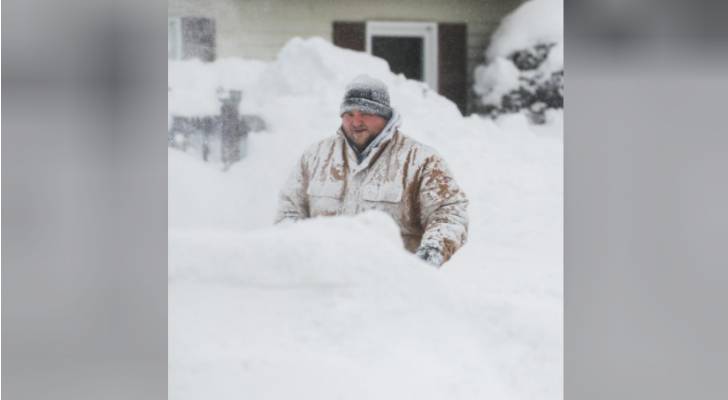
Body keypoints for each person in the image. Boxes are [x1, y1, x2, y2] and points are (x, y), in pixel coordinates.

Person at [275, 75, 468, 267]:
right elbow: (290, 209)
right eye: (349, 114)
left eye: (365, 113)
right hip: (324, 281)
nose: (356, 121)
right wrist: (292, 253)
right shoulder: (315, 157)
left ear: (384, 116)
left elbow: (449, 212)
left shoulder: (420, 160)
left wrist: (432, 251)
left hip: (390, 283)